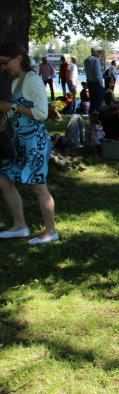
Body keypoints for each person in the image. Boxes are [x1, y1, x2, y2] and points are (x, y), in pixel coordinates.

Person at [0, 42, 59, 244]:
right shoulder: (16, 82)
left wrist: (12, 107)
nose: (4, 66)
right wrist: (6, 120)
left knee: (39, 187)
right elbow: (15, 111)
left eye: (6, 62)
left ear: (18, 57)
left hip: (36, 142)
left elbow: (41, 114)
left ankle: (51, 231)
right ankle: (20, 226)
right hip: (21, 143)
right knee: (4, 180)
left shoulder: (33, 80)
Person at [84, 48, 104, 113]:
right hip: (96, 83)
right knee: (97, 103)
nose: (100, 54)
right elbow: (97, 73)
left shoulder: (86, 60)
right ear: (95, 52)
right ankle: (96, 117)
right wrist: (101, 84)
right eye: (99, 52)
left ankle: (91, 116)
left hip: (90, 82)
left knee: (92, 102)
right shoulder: (95, 60)